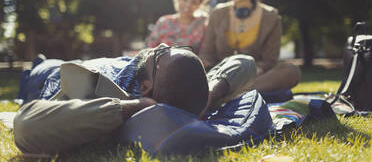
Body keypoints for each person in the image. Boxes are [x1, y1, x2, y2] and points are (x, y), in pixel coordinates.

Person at [13, 44, 257, 154]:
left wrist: (136, 107)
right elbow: (245, 62)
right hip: (96, 63)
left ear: (146, 86)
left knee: (41, 65)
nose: (160, 46)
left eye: (161, 53)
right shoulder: (179, 87)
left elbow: (26, 126)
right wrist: (210, 95)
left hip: (45, 75)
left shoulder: (101, 98)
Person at [199, 0, 301, 97]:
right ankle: (230, 93)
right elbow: (207, 53)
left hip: (253, 78)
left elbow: (270, 60)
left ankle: (227, 95)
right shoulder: (217, 13)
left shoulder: (271, 16)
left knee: (290, 71)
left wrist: (258, 68)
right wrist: (203, 64)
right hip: (218, 76)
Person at [146, 0, 214, 54]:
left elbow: (208, 54)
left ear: (199, 5)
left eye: (194, 2)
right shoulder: (163, 23)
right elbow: (149, 52)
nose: (188, 5)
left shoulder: (204, 24)